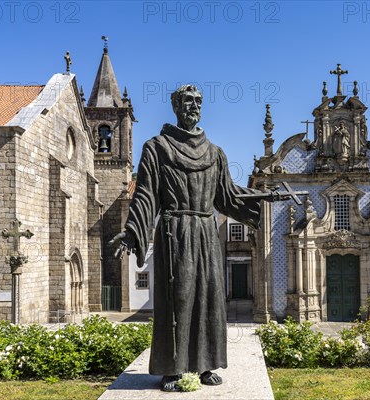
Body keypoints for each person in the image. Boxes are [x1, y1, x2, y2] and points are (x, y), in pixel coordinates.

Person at [110, 84, 265, 392]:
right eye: (188, 101)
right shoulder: (157, 148)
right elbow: (145, 195)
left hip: (207, 233)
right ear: (176, 107)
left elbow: (228, 198)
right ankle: (171, 368)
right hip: (174, 232)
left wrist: (263, 200)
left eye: (198, 102)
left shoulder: (215, 153)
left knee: (209, 298)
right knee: (177, 300)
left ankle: (205, 365)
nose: (194, 106)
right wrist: (133, 231)